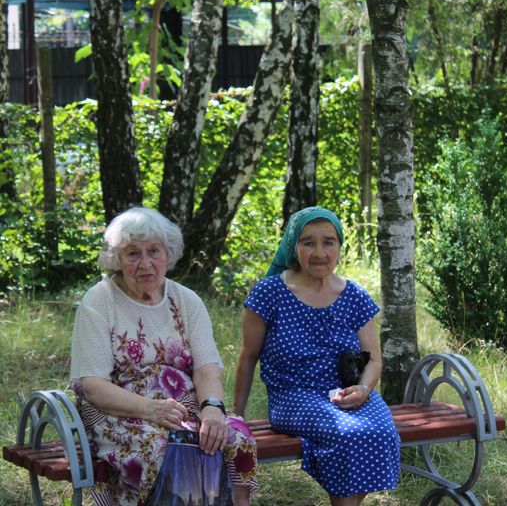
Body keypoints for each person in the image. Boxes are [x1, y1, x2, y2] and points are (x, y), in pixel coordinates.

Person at [70, 206, 257, 506]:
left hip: (185, 407)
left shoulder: (186, 300)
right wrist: (151, 409)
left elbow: (208, 368)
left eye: (154, 251)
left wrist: (212, 409)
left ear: (168, 255)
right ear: (117, 258)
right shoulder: (99, 300)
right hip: (120, 410)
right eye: (133, 253)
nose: (145, 263)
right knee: (163, 444)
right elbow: (93, 384)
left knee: (233, 435)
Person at [233, 206, 400, 506]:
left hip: (350, 392)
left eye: (328, 242)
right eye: (309, 242)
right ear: (293, 247)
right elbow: (247, 357)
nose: (319, 252)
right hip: (293, 397)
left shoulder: (355, 296)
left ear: (339, 247)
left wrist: (363, 390)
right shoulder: (269, 293)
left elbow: (374, 359)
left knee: (382, 433)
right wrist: (236, 416)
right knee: (348, 434)